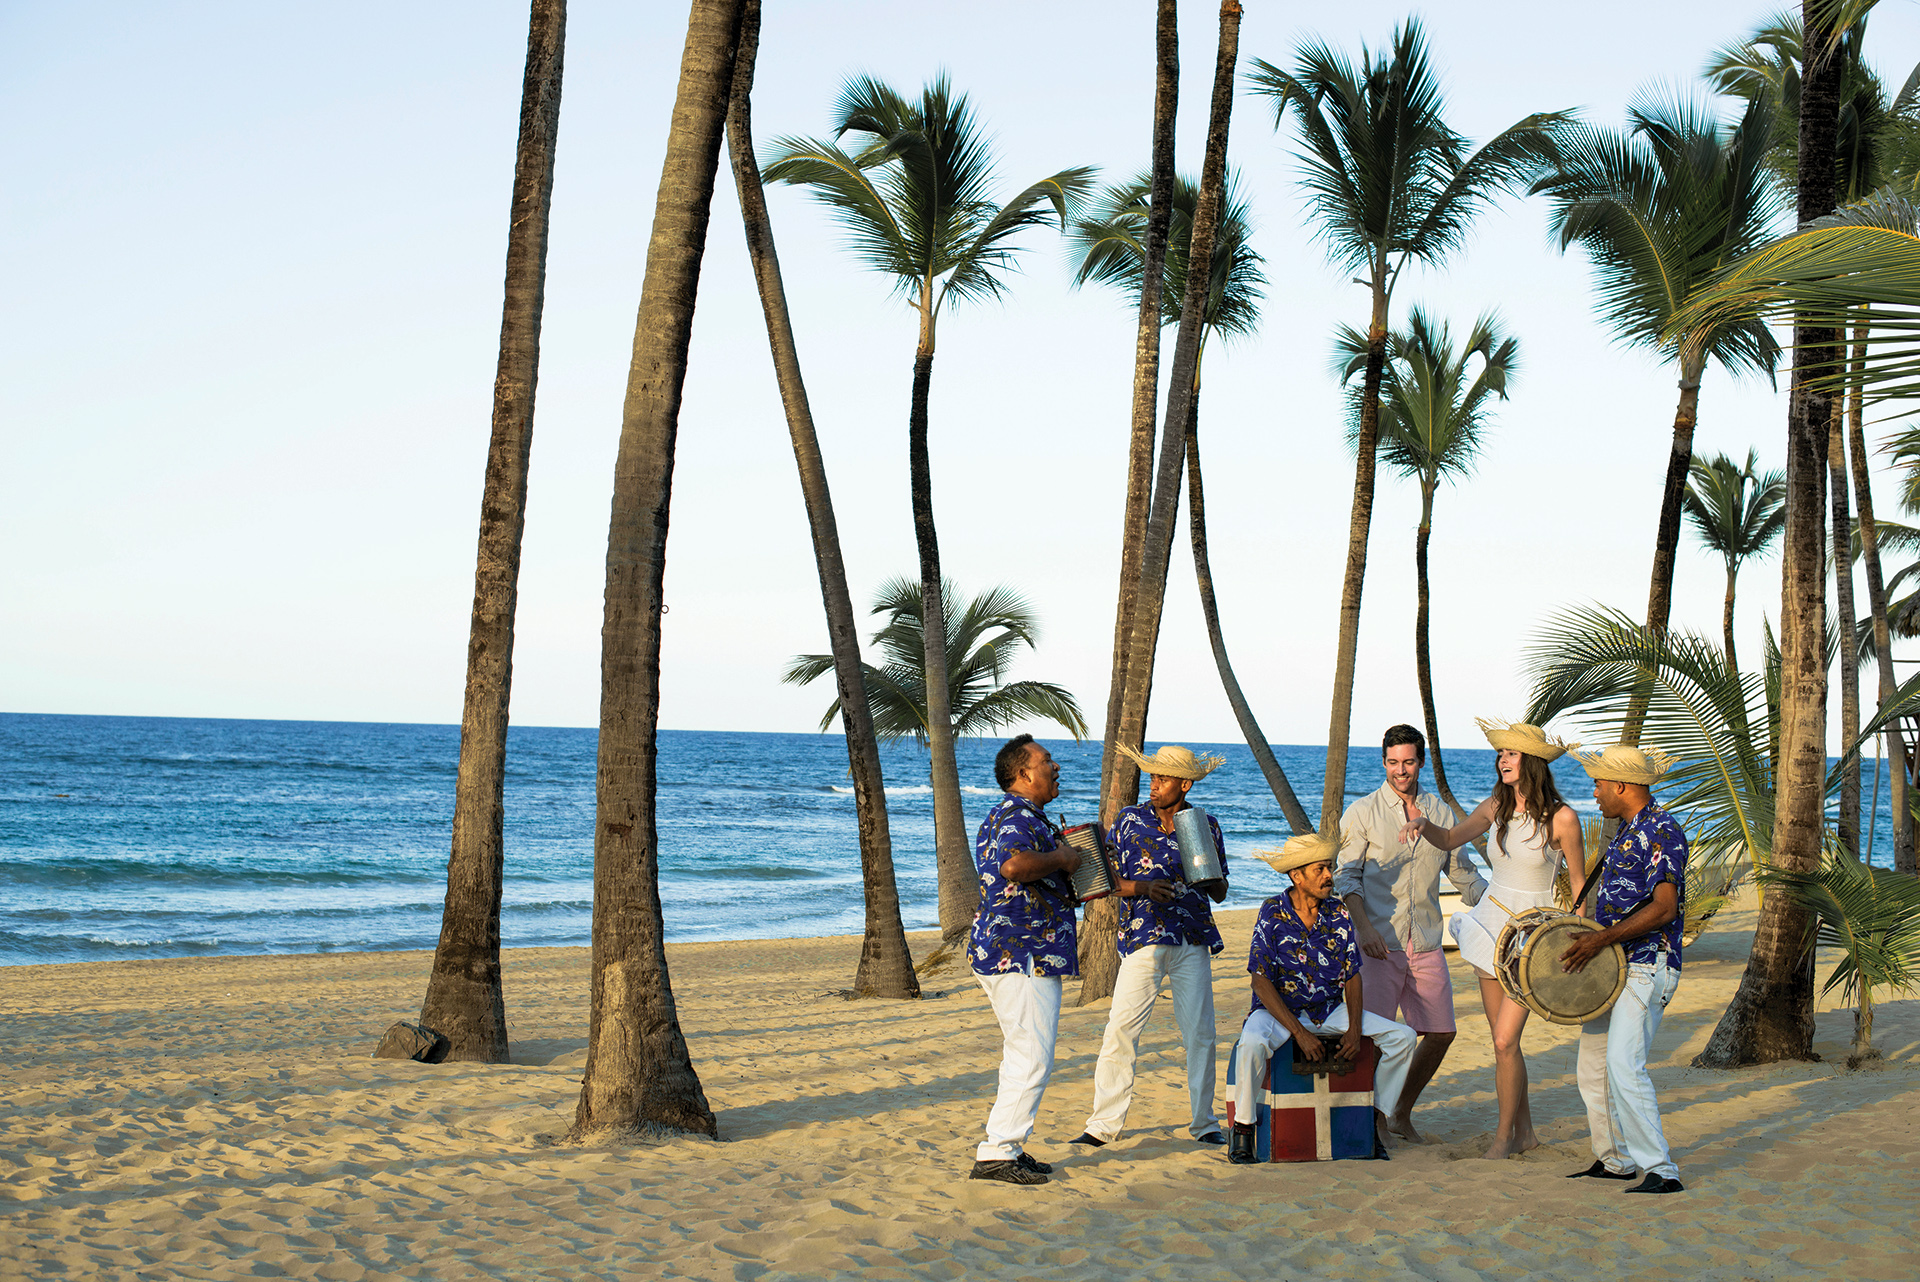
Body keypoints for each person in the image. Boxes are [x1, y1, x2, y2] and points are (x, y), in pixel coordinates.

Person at [1399, 719, 1584, 1159]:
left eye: (1512, 753)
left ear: (1532, 762)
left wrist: (1576, 937)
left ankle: (1504, 1139)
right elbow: (1448, 838)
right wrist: (1423, 824)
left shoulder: (1563, 818)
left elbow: (1579, 886)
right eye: (1501, 753)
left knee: (1504, 1041)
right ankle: (1525, 1134)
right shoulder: (1493, 809)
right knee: (1505, 1044)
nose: (1503, 759)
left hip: (1532, 938)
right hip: (1489, 927)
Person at [1070, 744, 1231, 1150]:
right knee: (1121, 1030)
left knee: (1201, 1034)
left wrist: (1205, 872)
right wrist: (1141, 888)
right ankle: (1102, 1126)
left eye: (1163, 779)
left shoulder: (1205, 824)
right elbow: (1098, 874)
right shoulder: (1129, 821)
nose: (1154, 785)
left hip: (1192, 936)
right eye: (1153, 777)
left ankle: (1204, 1122)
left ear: (1185, 784)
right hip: (1144, 937)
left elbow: (1221, 891)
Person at [1335, 724, 1487, 1143]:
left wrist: (1504, 904)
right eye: (1392, 762)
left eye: (1408, 762)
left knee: (1441, 1032)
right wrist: (1363, 928)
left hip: (1426, 942)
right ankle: (1374, 1122)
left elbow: (1462, 873)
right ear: (1384, 762)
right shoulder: (1362, 812)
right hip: (1378, 944)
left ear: (1420, 761)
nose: (1400, 770)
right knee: (1377, 1039)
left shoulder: (1440, 813)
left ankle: (1400, 1111)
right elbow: (1346, 877)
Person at [1226, 830, 1416, 1166]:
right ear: (1296, 876)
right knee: (1252, 1043)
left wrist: (1355, 1028)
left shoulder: (1338, 913)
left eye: (1329, 868)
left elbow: (1352, 975)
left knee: (1403, 1038)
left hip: (1327, 1010)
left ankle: (1371, 1122)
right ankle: (1242, 1129)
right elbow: (1259, 981)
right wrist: (1300, 1034)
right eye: (1320, 870)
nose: (1329, 876)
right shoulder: (1272, 911)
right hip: (1279, 1012)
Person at [1561, 744, 1687, 1195]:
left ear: (1621, 786)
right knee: (1592, 1068)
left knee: (1624, 1064)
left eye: (1598, 784)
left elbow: (1665, 908)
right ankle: (1614, 1159)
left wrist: (1600, 939)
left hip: (1647, 962)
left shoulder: (1662, 830)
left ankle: (1661, 1170)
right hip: (1613, 965)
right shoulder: (1625, 831)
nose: (1593, 792)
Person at [966, 733, 1081, 1185]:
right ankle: (997, 1153)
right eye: (1047, 760)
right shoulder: (1017, 816)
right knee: (1032, 1054)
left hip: (1010, 951)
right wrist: (1063, 858)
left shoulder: (1014, 816)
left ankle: (1005, 1145)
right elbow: (1015, 867)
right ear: (1022, 773)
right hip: (1022, 953)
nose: (1055, 767)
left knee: (1021, 1052)